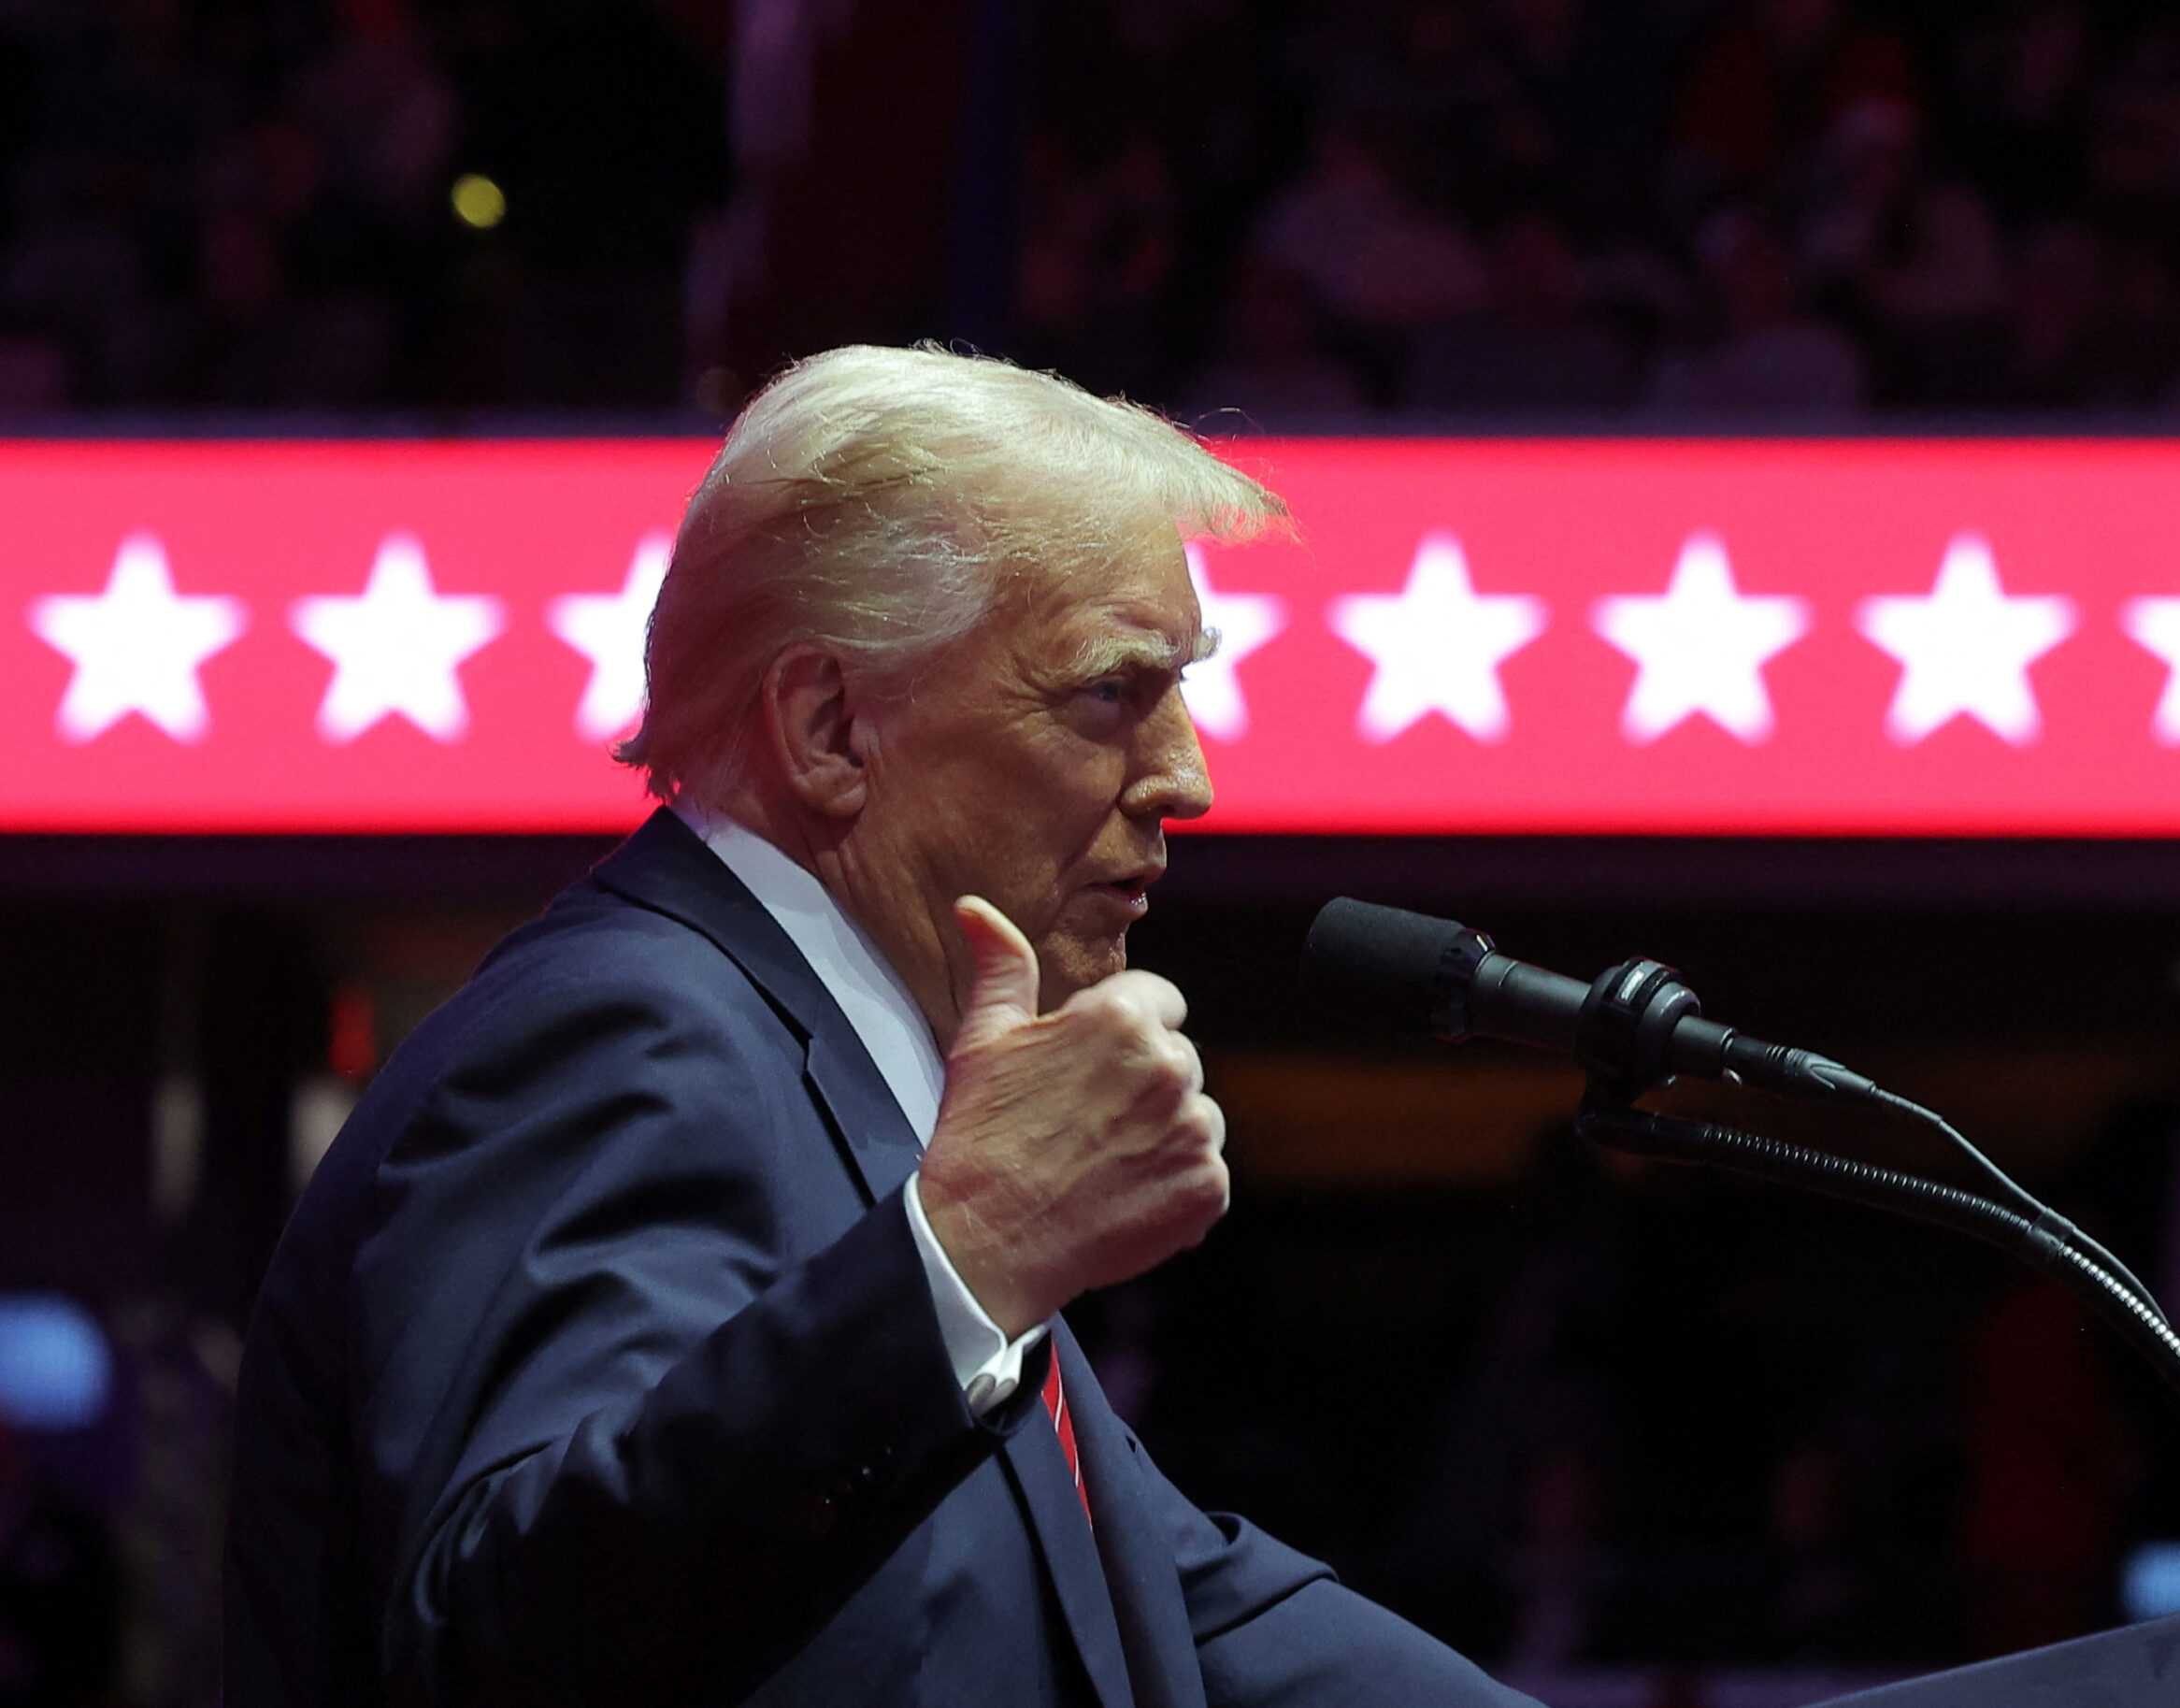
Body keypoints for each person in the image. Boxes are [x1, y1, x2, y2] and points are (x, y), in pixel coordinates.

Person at [223, 344, 1542, 1707]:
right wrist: (965, 1257)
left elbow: (1170, 1604)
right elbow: (501, 1632)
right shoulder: (630, 1030)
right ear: (830, 726)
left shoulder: (852, 1086)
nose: (1187, 777)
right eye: (1110, 689)